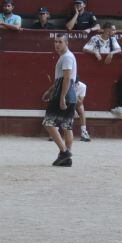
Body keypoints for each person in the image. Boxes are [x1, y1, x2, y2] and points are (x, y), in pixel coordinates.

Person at [41, 34, 77, 167]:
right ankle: (67, 158)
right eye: (55, 42)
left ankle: (64, 152)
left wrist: (62, 97)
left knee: (48, 123)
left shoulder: (66, 57)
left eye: (60, 42)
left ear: (66, 43)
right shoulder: (68, 56)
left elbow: (66, 79)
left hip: (62, 94)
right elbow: (64, 78)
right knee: (67, 126)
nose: (57, 44)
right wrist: (50, 90)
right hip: (70, 94)